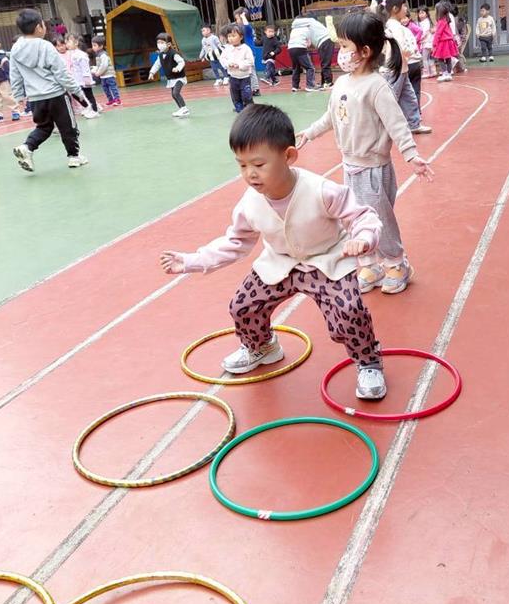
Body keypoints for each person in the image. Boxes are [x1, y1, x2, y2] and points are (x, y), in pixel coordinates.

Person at [160, 104, 390, 399]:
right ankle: (262, 347)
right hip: (279, 263)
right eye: (242, 165)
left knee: (349, 312)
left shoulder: (321, 190)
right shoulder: (249, 203)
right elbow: (235, 242)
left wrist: (364, 237)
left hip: (327, 261)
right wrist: (192, 260)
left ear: (289, 156)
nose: (250, 174)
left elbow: (362, 216)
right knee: (243, 306)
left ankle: (368, 361)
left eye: (258, 164)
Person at [297, 11, 435, 295]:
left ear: (365, 51)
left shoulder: (376, 86)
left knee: (379, 221)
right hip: (350, 166)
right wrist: (309, 133)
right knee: (354, 220)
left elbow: (397, 123)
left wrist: (411, 155)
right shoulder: (342, 83)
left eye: (345, 46)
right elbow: (331, 116)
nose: (340, 52)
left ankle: (397, 263)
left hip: (373, 170)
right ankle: (369, 265)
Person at [10, 9, 91, 172]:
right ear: (39, 27)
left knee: (44, 127)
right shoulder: (46, 46)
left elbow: (15, 75)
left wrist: (19, 96)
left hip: (35, 98)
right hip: (56, 95)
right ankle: (74, 156)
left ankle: (27, 147)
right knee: (68, 126)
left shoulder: (15, 49)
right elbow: (61, 73)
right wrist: (77, 92)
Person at [384, 0, 431, 134]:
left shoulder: (396, 26)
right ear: (395, 9)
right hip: (396, 69)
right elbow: (400, 48)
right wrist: (411, 50)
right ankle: (382, 126)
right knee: (391, 98)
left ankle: (413, 124)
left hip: (402, 69)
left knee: (410, 98)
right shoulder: (394, 27)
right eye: (404, 6)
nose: (406, 9)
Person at [148, 32, 190, 118]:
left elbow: (181, 62)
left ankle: (185, 109)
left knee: (176, 93)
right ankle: (181, 109)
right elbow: (157, 64)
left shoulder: (173, 53)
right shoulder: (160, 55)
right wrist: (152, 72)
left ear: (169, 44)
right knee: (173, 95)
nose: (159, 45)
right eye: (158, 42)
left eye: (162, 42)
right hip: (171, 79)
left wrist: (177, 68)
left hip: (179, 78)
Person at [291, 13, 335, 89]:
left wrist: (296, 22)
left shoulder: (310, 21)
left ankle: (328, 82)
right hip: (323, 43)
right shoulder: (310, 26)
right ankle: (324, 82)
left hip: (326, 41)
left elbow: (294, 23)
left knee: (325, 63)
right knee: (324, 63)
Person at [221, 23, 255, 113]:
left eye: (233, 36)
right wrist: (228, 64)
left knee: (246, 95)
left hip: (244, 77)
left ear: (241, 37)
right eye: (229, 36)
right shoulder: (227, 49)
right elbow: (222, 59)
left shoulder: (246, 48)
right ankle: (239, 109)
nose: (231, 38)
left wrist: (239, 65)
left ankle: (250, 109)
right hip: (233, 77)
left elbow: (250, 61)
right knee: (235, 95)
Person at [67, 35, 98, 117]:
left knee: (89, 95)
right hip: (77, 80)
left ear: (76, 43)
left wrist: (86, 79)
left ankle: (94, 110)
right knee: (75, 94)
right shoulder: (72, 54)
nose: (67, 44)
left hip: (84, 80)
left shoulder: (81, 55)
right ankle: (88, 107)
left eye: (69, 42)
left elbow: (85, 68)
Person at [233, 8, 262, 96]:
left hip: (249, 53)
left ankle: (255, 89)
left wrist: (243, 17)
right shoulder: (239, 29)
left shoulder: (247, 28)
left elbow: (247, 26)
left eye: (238, 18)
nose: (237, 20)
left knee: (251, 71)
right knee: (244, 71)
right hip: (241, 53)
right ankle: (247, 88)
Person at [287, 20, 318, 92]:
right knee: (310, 68)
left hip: (291, 49)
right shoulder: (307, 29)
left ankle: (295, 86)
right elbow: (308, 44)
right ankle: (310, 86)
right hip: (300, 48)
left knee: (296, 67)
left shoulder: (294, 30)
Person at [90, 35, 121, 107]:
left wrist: (98, 73)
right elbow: (99, 66)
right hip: (103, 76)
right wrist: (94, 69)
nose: (93, 47)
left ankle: (117, 99)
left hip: (109, 75)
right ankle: (111, 100)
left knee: (112, 87)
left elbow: (104, 66)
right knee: (105, 89)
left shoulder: (103, 55)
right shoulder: (98, 55)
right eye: (92, 45)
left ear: (101, 46)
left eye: (95, 45)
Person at [432, 1, 458, 82]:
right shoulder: (446, 20)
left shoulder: (441, 22)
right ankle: (449, 74)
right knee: (448, 59)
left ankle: (444, 73)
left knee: (440, 58)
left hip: (443, 42)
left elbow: (438, 33)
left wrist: (434, 43)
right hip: (449, 41)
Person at [417, 6, 434, 77]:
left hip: (426, 43)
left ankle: (426, 72)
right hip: (427, 42)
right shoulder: (425, 21)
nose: (421, 14)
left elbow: (425, 33)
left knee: (424, 58)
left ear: (426, 14)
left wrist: (419, 39)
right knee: (428, 58)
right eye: (419, 13)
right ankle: (432, 72)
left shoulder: (425, 22)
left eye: (422, 13)